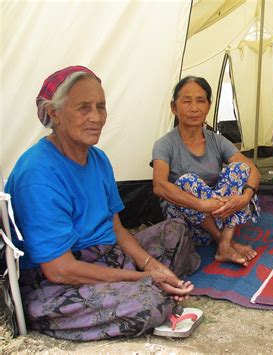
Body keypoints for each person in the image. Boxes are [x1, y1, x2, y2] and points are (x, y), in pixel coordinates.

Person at [5, 66, 200, 340]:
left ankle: (146, 286)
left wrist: (149, 264)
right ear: (54, 113)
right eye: (83, 108)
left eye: (101, 106)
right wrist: (143, 278)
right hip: (57, 282)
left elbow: (117, 228)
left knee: (177, 231)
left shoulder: (98, 159)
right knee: (148, 301)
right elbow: (60, 270)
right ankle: (147, 291)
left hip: (107, 257)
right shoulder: (38, 174)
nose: (96, 117)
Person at [152, 76, 261, 267]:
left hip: (219, 213)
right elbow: (159, 186)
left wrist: (244, 197)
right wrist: (201, 205)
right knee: (187, 181)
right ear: (174, 108)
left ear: (209, 106)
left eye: (200, 101)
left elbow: (252, 170)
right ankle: (225, 241)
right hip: (188, 224)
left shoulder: (216, 140)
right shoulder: (165, 144)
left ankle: (225, 244)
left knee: (239, 168)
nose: (194, 108)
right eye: (186, 101)